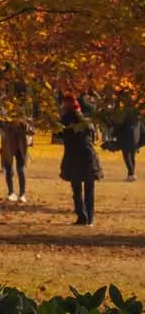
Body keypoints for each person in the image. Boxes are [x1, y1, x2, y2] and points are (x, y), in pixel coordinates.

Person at [59, 96, 103, 225]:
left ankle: (82, 216)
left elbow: (59, 135)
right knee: (89, 190)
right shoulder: (87, 121)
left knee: (77, 190)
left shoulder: (65, 119)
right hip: (88, 156)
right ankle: (89, 218)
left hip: (74, 157)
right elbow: (93, 138)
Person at [0, 110, 31, 203]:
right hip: (10, 146)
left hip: (18, 147)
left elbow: (30, 131)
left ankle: (20, 193)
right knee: (10, 170)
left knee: (19, 170)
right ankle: (12, 193)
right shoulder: (8, 122)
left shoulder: (23, 124)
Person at [115, 108, 142, 181]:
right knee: (132, 157)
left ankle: (131, 173)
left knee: (127, 157)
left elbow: (118, 126)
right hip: (135, 139)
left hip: (126, 138)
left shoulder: (125, 115)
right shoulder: (138, 117)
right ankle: (131, 174)